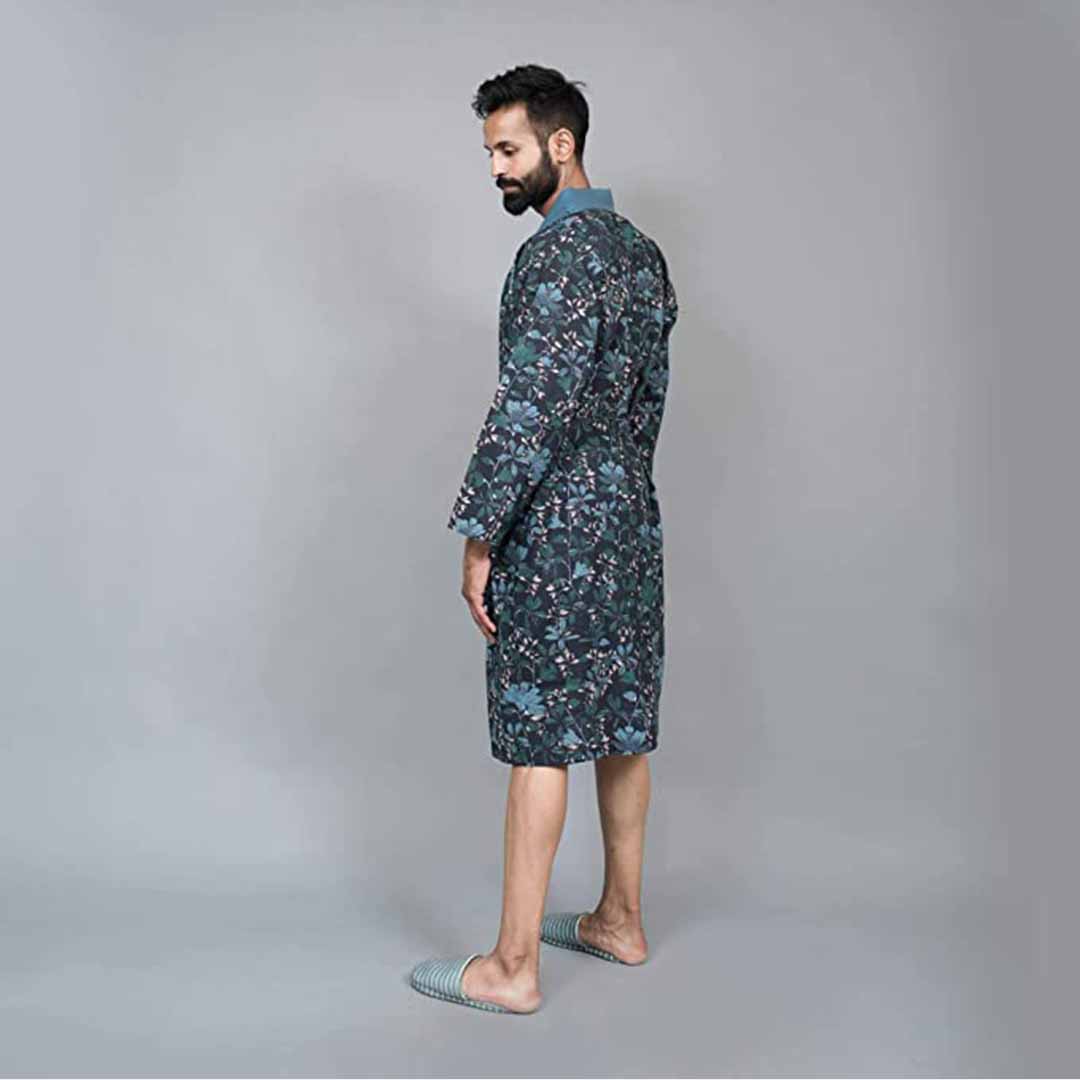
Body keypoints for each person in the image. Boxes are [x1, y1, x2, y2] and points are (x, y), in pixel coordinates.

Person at [410, 64, 678, 1015]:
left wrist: (481, 534)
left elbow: (529, 409)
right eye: (490, 152)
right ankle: (620, 919)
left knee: (542, 734)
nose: (496, 168)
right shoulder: (642, 254)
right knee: (620, 721)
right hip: (628, 517)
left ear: (562, 145)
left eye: (509, 148)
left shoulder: (557, 257)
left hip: (556, 527)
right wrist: (618, 488)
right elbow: (646, 401)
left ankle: (513, 967)